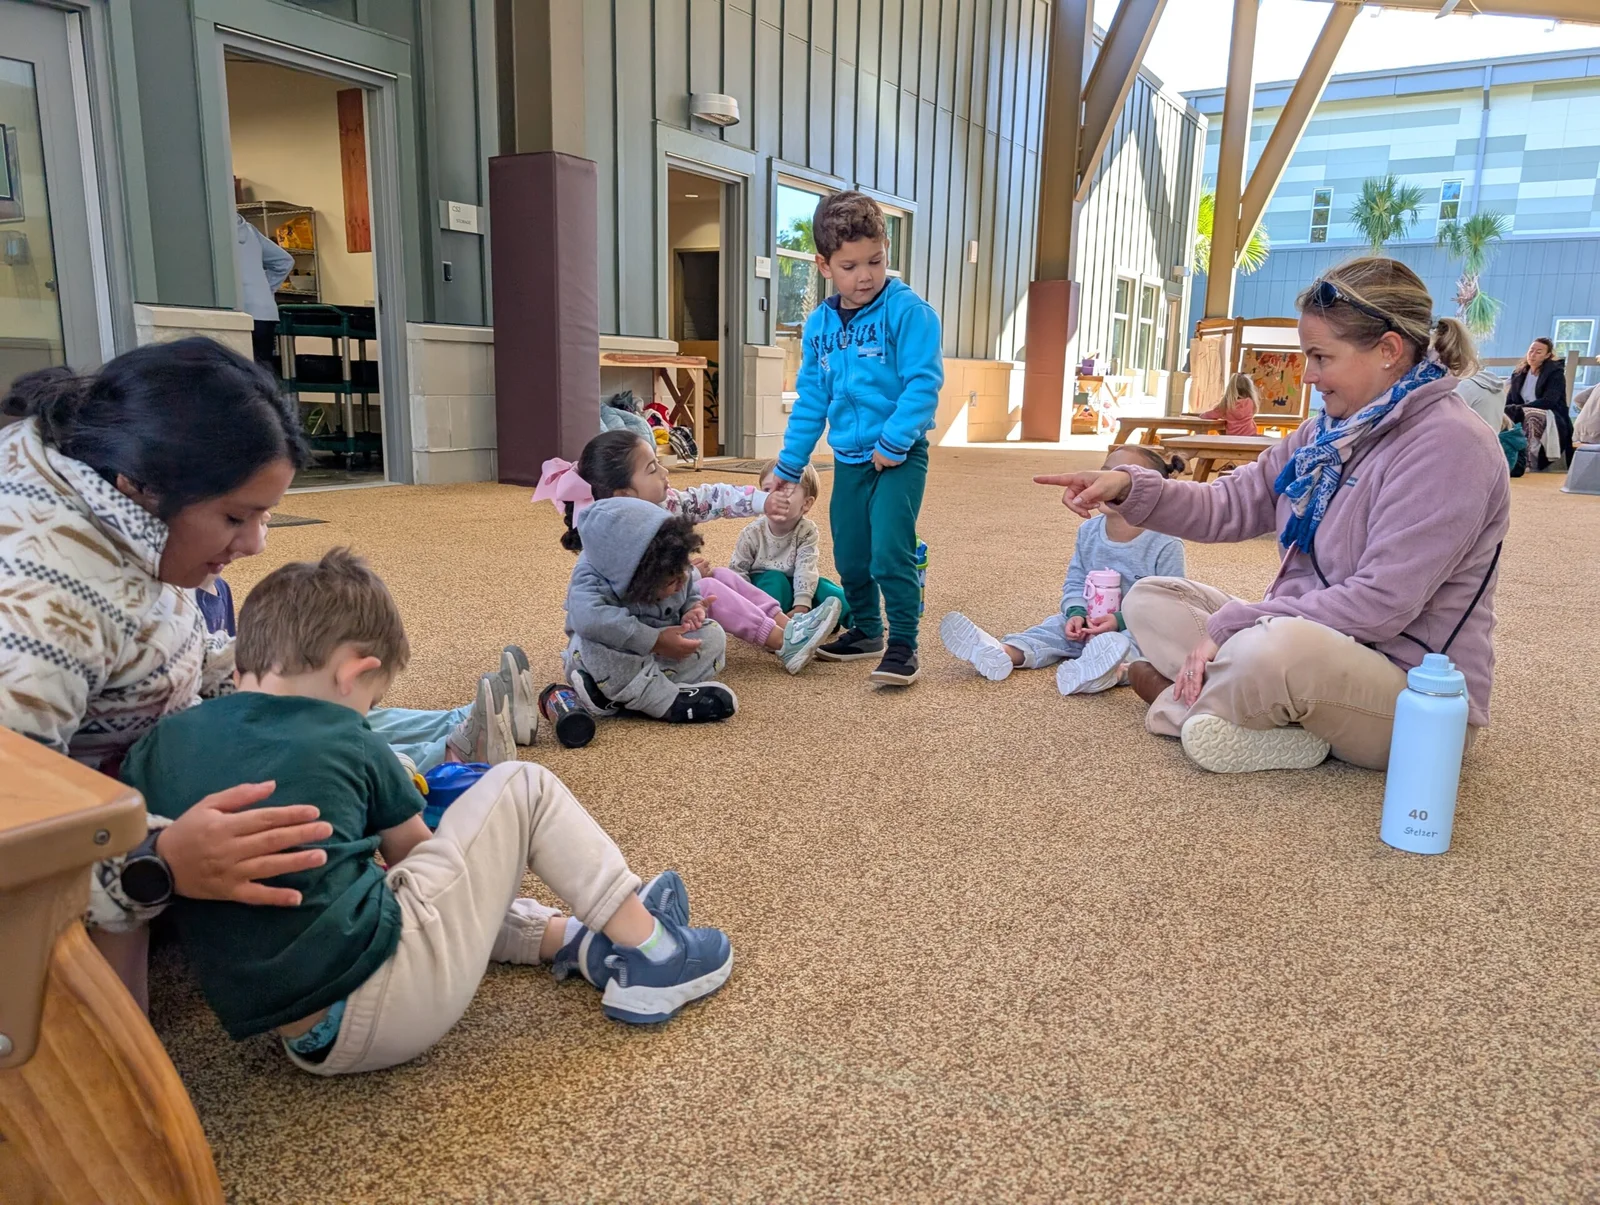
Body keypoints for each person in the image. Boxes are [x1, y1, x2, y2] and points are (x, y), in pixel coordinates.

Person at [0, 339, 514, 1005]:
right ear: (140, 486)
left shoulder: (118, 502)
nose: (256, 543)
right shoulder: (37, 609)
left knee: (322, 726)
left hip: (146, 764)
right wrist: (155, 866)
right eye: (236, 516)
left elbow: (170, 653)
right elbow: (17, 830)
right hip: (92, 828)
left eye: (264, 514)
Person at [122, 548, 732, 1075]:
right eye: (373, 699)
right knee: (521, 789)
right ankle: (652, 949)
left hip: (301, 1036)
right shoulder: (348, 737)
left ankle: (577, 942)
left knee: (408, 886)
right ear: (354, 674)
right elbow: (421, 858)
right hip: (383, 1007)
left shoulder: (158, 746)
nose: (366, 714)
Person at [1037, 257, 1509, 774]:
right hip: (1311, 636)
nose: (1309, 377)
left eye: (1320, 357)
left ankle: (1181, 701)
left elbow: (1381, 606)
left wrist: (1239, 622)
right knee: (1149, 599)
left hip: (1410, 692)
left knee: (1275, 647)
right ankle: (1245, 716)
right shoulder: (1325, 434)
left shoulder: (1451, 445)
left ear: (1388, 351)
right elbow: (1228, 504)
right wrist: (1130, 487)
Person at [773, 190, 944, 687]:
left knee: (890, 548)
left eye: (875, 260)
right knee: (850, 551)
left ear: (887, 249)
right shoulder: (821, 325)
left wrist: (894, 441)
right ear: (824, 265)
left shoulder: (908, 312)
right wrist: (789, 464)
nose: (865, 275)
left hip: (899, 455)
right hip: (848, 457)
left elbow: (922, 384)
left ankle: (904, 644)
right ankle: (867, 629)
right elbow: (811, 400)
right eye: (850, 266)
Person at [549, 430, 840, 671]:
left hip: (667, 607)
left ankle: (789, 625)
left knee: (722, 574)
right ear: (624, 495)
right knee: (709, 585)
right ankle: (783, 643)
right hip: (643, 628)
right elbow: (621, 600)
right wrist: (689, 577)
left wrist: (762, 501)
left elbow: (711, 498)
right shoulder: (607, 541)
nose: (664, 472)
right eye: (652, 469)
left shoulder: (666, 505)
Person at [192, 570, 524, 765]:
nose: (256, 536)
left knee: (359, 714)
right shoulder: (174, 604)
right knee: (340, 736)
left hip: (246, 700)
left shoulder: (218, 587)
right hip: (239, 723)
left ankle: (461, 720)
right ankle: (449, 753)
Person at [941, 445, 1187, 696]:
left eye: (1122, 481)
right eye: (1103, 475)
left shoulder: (1164, 542)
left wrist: (1120, 620)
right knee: (1051, 629)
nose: (1107, 485)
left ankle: (1113, 671)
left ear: (1151, 494)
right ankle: (1002, 652)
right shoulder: (1089, 531)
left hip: (1136, 626)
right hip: (1086, 618)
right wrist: (1076, 612)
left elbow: (1169, 603)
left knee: (1140, 647)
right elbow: (1076, 580)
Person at [563, 497, 739, 723]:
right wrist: (655, 640)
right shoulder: (592, 576)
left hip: (654, 654)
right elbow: (588, 619)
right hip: (616, 650)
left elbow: (690, 588)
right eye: (671, 582)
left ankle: (612, 695)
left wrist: (692, 607)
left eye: (683, 573)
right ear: (636, 580)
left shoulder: (673, 567)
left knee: (714, 635)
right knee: (591, 644)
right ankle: (665, 702)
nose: (681, 582)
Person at [726, 460, 852, 627]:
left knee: (823, 586)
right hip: (764, 592)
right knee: (774, 579)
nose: (774, 497)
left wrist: (802, 604)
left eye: (785, 491)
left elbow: (805, 567)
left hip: (796, 586)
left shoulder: (807, 531)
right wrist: (747, 608)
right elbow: (736, 572)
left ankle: (859, 621)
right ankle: (776, 625)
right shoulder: (752, 533)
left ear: (806, 503)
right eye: (767, 490)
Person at [234, 213, 295, 366]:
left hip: (238, 312)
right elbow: (285, 261)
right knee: (263, 373)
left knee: (237, 375)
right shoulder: (249, 230)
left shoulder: (213, 231)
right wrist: (263, 290)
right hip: (265, 313)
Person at [1506, 336, 1572, 469]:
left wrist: (1521, 408)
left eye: (1538, 352)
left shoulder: (1555, 374)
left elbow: (1549, 401)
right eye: (1531, 350)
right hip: (1521, 410)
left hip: (1551, 413)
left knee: (1530, 415)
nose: (1533, 354)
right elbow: (1510, 400)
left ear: (1547, 355)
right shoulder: (1519, 374)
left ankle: (1529, 462)